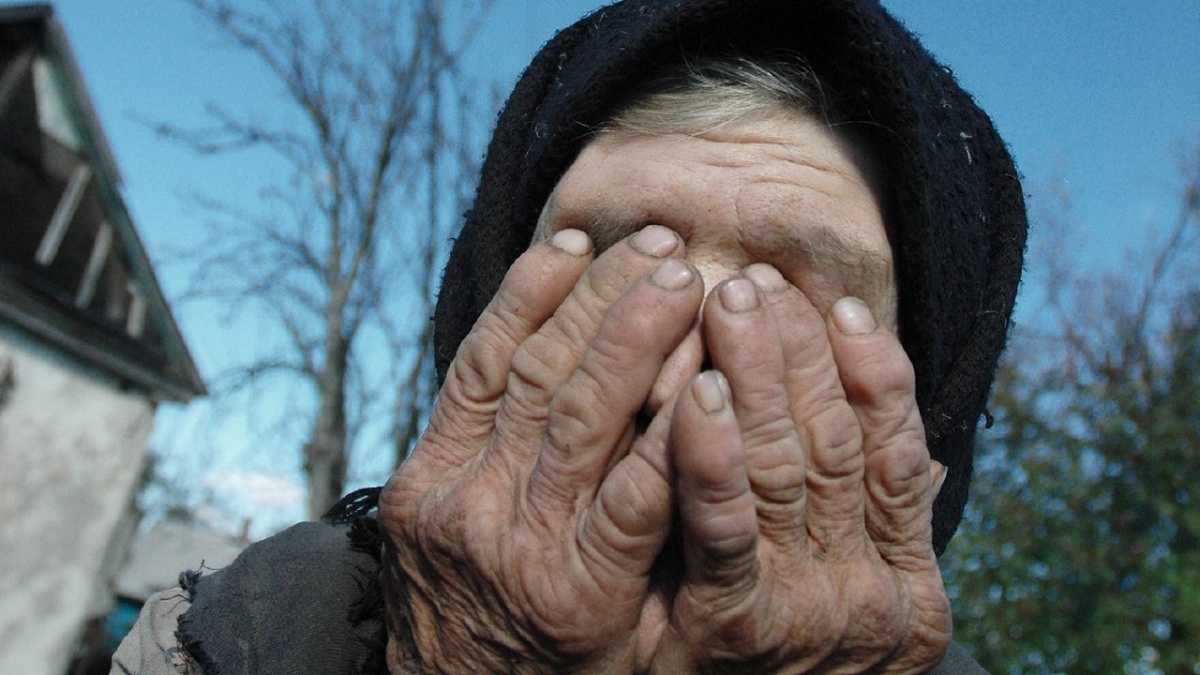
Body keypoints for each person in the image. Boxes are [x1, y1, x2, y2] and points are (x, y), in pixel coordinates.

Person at [112, 0, 1026, 673]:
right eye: (605, 269)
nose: (673, 383)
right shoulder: (219, 639)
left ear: (930, 428)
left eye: (785, 299)